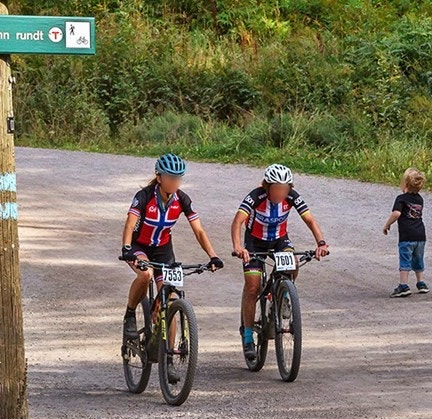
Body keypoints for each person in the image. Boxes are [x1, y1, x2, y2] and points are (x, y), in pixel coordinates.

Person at [119, 153, 225, 343]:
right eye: (170, 178)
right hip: (138, 245)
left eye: (178, 178)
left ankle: (170, 358)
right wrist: (126, 247)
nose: (175, 182)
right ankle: (130, 314)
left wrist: (213, 255)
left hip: (163, 249)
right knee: (145, 275)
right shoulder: (144, 196)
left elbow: (199, 230)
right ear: (159, 178)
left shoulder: (182, 199)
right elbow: (129, 224)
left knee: (170, 300)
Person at [231, 163, 330, 360]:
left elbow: (310, 220)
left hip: (279, 239)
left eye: (285, 189)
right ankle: (248, 335)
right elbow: (237, 221)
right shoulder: (256, 196)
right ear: (267, 187)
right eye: (277, 188)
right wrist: (237, 246)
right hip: (255, 242)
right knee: (252, 287)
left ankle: (284, 296)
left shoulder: (292, 197)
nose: (281, 193)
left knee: (292, 263)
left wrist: (321, 243)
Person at [383, 168, 429, 297]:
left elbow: (396, 213)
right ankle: (421, 283)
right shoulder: (420, 199)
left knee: (405, 259)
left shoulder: (401, 198)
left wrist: (387, 224)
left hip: (407, 235)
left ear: (406, 184)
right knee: (418, 258)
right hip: (420, 235)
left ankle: (403, 285)